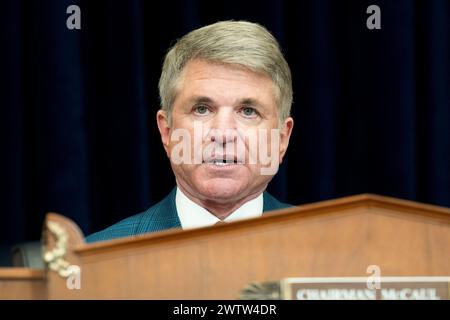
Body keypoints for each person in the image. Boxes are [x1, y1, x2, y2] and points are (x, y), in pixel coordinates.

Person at [86, 20, 294, 243]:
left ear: (282, 139)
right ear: (167, 132)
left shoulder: (330, 250)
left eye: (248, 111)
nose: (223, 134)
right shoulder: (94, 261)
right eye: (202, 109)